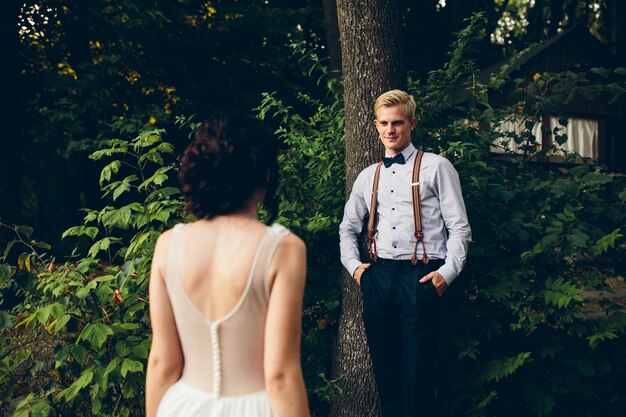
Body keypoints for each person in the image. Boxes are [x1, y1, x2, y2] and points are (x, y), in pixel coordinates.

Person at [146, 116, 310, 417]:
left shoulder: (169, 245)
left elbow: (163, 363)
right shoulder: (283, 249)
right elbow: (280, 376)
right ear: (264, 177)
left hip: (182, 407)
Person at [339, 89, 471, 416]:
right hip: (378, 276)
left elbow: (460, 227)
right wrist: (356, 268)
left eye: (397, 122)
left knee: (419, 372)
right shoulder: (369, 175)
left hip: (421, 277)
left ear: (412, 123)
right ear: (375, 125)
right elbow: (347, 228)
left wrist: (447, 273)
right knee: (385, 370)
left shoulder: (437, 167)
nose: (390, 130)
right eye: (383, 123)